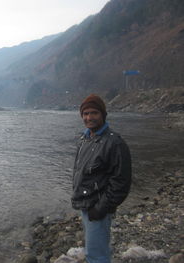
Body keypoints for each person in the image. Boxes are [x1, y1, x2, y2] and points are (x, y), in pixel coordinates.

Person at [71, 94, 132, 263]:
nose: (89, 117)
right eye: (85, 114)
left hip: (98, 208)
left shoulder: (115, 143)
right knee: (94, 251)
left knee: (97, 256)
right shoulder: (85, 138)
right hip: (85, 204)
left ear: (103, 115)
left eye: (94, 113)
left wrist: (100, 208)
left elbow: (121, 182)